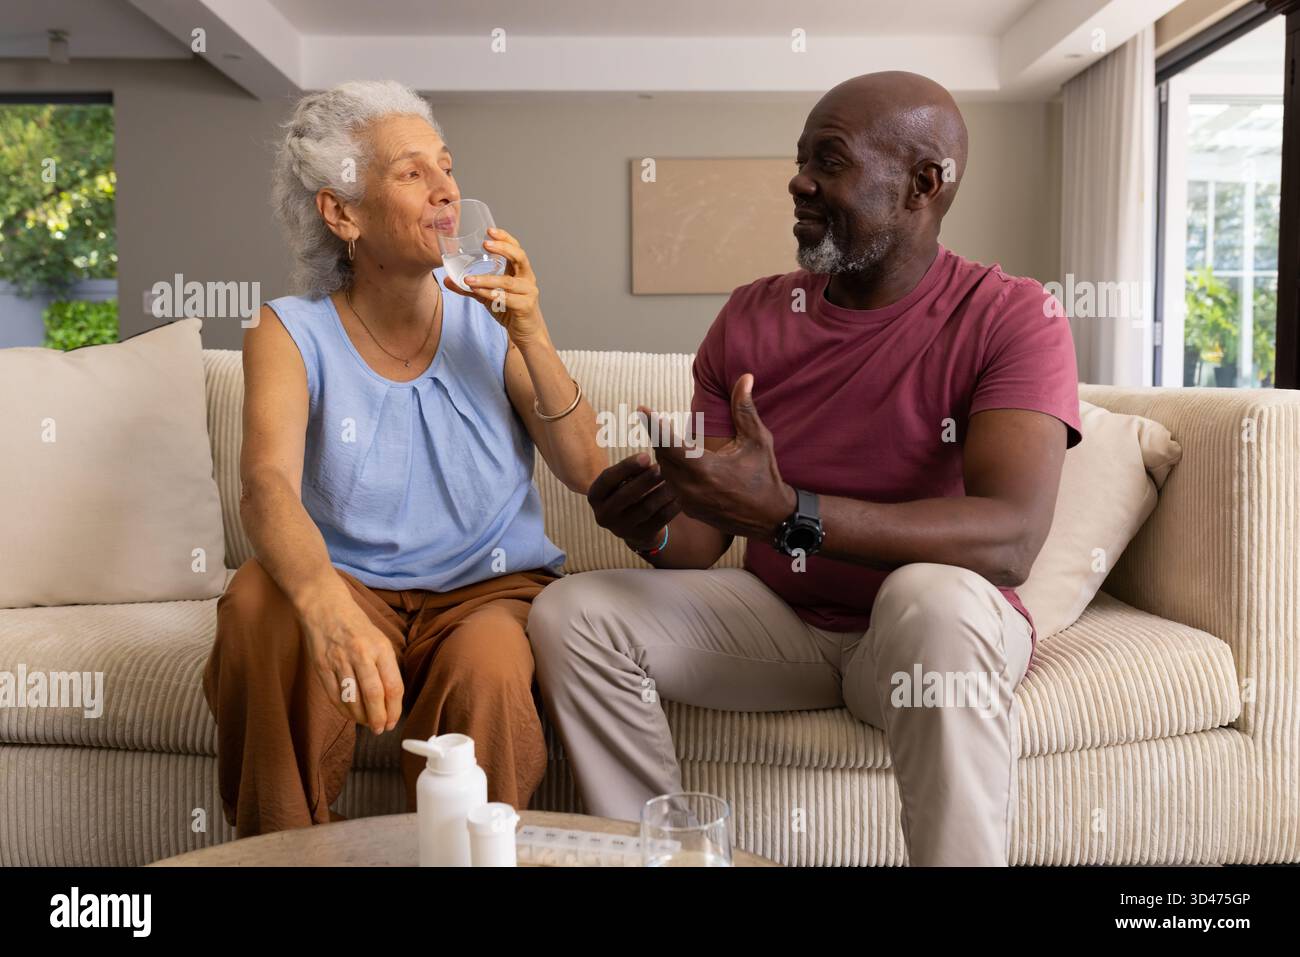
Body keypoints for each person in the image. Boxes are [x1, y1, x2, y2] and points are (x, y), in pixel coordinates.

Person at [527, 71, 1082, 866]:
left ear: (923, 184)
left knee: (937, 597)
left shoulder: (1011, 315)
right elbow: (697, 543)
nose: (798, 181)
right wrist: (650, 526)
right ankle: (667, 861)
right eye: (801, 159)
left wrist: (792, 510)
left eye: (830, 161)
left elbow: (1010, 538)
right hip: (782, 626)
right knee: (572, 612)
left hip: (922, 637)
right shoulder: (752, 316)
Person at [203, 81, 605, 837]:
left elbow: (588, 469)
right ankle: (287, 852)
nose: (446, 189)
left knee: (486, 668)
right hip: (349, 583)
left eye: (446, 167)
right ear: (341, 212)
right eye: (411, 172)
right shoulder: (288, 331)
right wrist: (326, 611)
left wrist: (534, 335)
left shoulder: (490, 319)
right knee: (258, 600)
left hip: (486, 589)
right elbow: (266, 487)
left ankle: (467, 855)